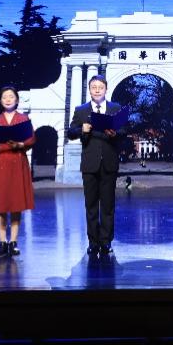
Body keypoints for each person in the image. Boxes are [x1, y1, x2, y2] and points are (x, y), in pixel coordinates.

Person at [66, 75, 122, 257]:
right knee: (91, 206)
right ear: (89, 90)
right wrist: (81, 129)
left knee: (107, 206)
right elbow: (70, 132)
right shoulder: (81, 110)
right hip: (89, 164)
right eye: (94, 87)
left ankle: (106, 242)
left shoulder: (115, 108)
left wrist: (115, 133)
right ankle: (93, 242)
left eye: (100, 87)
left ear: (106, 89)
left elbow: (124, 130)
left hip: (109, 163)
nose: (97, 90)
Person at [0, 86, 35, 256]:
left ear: (17, 100)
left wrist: (21, 144)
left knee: (16, 203)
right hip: (1, 162)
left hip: (17, 161)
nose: (8, 99)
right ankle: (2, 242)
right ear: (1, 101)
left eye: (11, 97)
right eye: (4, 97)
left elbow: (31, 139)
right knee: (0, 204)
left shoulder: (23, 119)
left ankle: (13, 242)